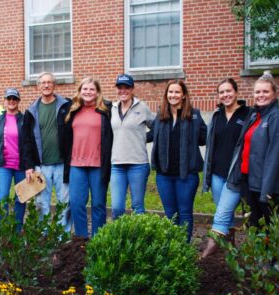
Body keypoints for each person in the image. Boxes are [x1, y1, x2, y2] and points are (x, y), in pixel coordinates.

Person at [225, 72, 279, 228]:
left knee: (269, 229)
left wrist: (266, 193)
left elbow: (276, 158)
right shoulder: (255, 116)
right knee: (252, 226)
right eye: (257, 92)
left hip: (267, 187)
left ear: (274, 94)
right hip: (249, 182)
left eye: (265, 91)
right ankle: (254, 254)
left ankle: (269, 253)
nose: (261, 95)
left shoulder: (277, 118)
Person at [149, 80, 207, 242]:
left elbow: (205, 138)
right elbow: (151, 135)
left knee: (185, 212)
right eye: (170, 92)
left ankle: (183, 247)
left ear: (183, 95)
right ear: (166, 95)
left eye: (176, 92)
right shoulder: (161, 115)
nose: (173, 95)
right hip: (164, 174)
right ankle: (173, 246)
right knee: (170, 213)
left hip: (187, 175)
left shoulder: (194, 115)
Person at [201, 78, 250, 258]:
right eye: (221, 92)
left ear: (236, 92)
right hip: (216, 174)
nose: (225, 95)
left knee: (221, 213)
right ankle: (230, 249)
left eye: (228, 91)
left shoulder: (247, 114)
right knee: (225, 211)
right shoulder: (217, 115)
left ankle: (211, 246)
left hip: (235, 174)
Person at [63, 77, 113, 238]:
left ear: (97, 92)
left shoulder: (105, 111)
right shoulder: (73, 111)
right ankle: (82, 239)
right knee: (77, 204)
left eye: (92, 89)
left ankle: (98, 239)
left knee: (98, 204)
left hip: (98, 165)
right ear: (80, 91)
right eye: (85, 89)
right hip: (76, 164)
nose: (88, 92)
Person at [21, 72, 72, 231]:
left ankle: (62, 236)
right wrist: (29, 166)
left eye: (49, 82)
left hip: (62, 164)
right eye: (43, 83)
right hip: (41, 166)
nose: (46, 85)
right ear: (38, 86)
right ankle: (43, 238)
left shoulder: (66, 106)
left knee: (65, 203)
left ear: (54, 85)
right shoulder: (31, 111)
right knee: (41, 203)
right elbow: (26, 141)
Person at [109, 74, 154, 219]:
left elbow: (157, 128)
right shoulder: (112, 109)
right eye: (120, 87)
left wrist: (143, 138)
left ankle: (138, 240)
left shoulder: (142, 107)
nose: (123, 90)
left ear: (132, 88)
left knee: (137, 206)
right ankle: (120, 240)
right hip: (117, 165)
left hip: (138, 165)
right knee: (117, 207)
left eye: (126, 87)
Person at [0, 88, 26, 231]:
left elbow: (29, 143)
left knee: (21, 198)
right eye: (9, 99)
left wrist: (30, 165)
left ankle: (17, 230)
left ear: (18, 101)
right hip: (3, 166)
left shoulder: (25, 119)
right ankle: (2, 229)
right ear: (4, 101)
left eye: (14, 99)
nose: (11, 101)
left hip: (21, 167)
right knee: (2, 197)